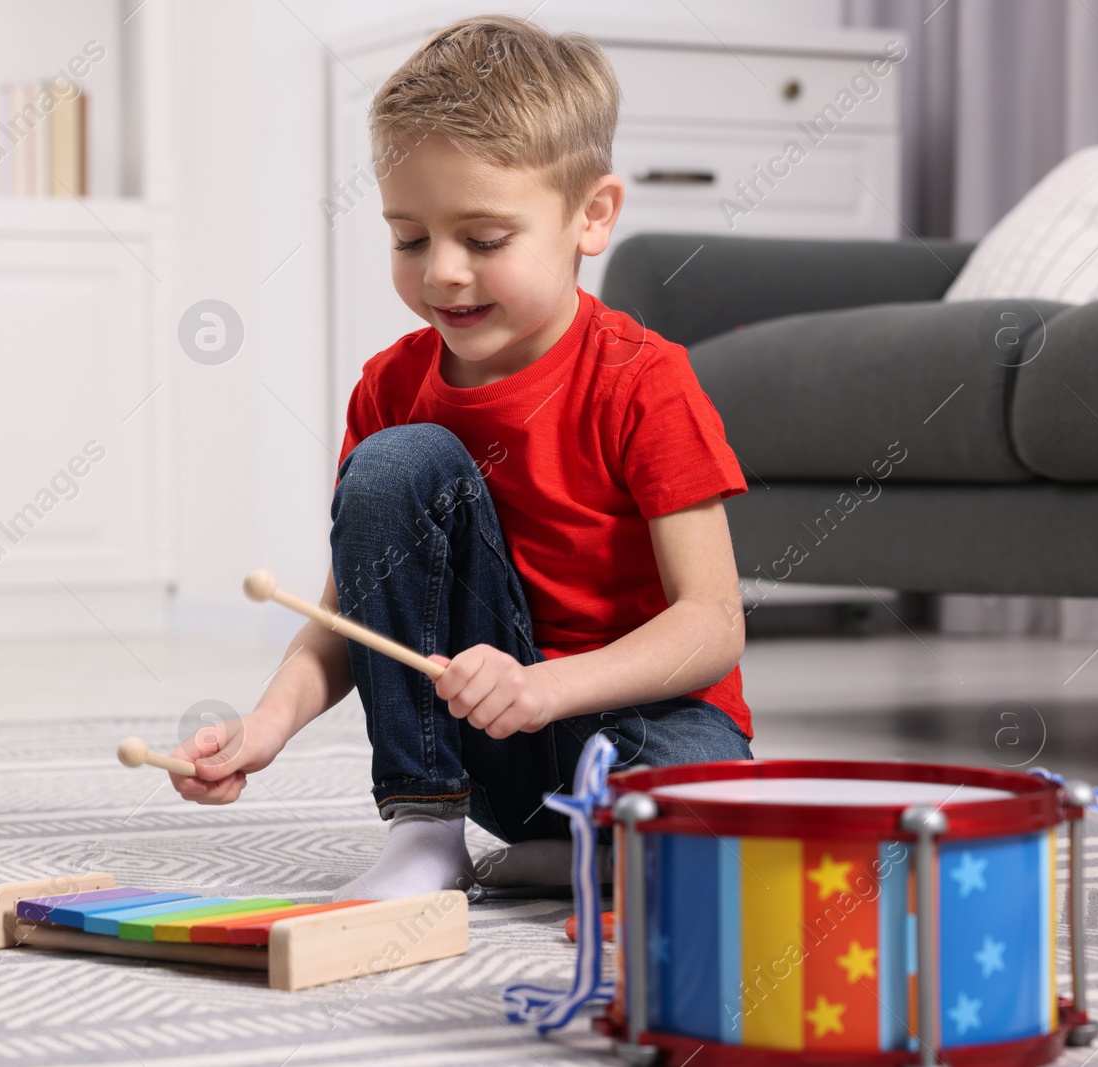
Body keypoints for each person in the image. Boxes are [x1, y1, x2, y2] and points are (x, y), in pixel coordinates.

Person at [170, 14, 752, 900]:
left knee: (715, 835)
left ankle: (591, 850)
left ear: (591, 216)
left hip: (643, 731)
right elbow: (346, 624)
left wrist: (549, 686)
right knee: (398, 462)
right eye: (409, 238)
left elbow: (712, 624)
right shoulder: (389, 389)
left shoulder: (647, 382)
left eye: (483, 240)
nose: (441, 271)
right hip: (492, 751)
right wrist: (265, 725)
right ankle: (427, 829)